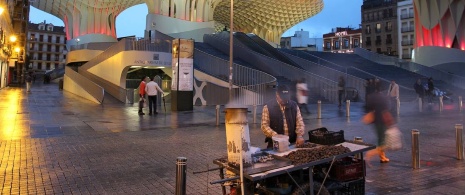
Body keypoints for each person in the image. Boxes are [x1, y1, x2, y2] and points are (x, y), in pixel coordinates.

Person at [364, 90, 395, 164]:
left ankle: (382, 156)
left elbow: (367, 108)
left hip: (376, 121)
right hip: (383, 121)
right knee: (383, 142)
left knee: (380, 139)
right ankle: (369, 155)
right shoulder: (383, 99)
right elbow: (388, 109)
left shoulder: (372, 98)